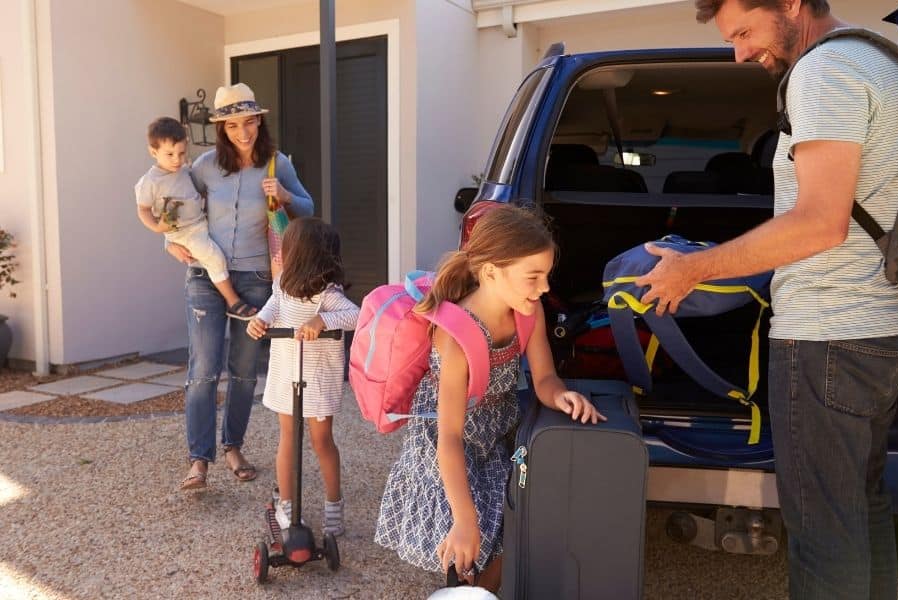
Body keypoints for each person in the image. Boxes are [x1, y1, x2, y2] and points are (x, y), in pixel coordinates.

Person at [637, 1, 898, 598]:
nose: (740, 52)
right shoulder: (888, 62)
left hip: (829, 335)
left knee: (823, 530)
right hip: (890, 324)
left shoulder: (825, 71)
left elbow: (820, 223)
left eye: (745, 31)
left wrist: (693, 269)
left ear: (792, 4)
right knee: (861, 505)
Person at [374, 205, 607, 593]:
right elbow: (448, 438)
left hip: (493, 434)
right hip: (447, 445)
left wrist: (562, 396)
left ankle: (480, 588)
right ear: (490, 272)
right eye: (533, 277)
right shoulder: (457, 337)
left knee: (509, 526)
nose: (545, 288)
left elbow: (545, 377)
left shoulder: (528, 313)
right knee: (470, 533)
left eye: (546, 276)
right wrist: (464, 520)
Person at [170, 83, 314, 491]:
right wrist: (171, 242)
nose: (243, 132)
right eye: (233, 125)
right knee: (202, 369)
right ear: (222, 128)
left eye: (249, 122)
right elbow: (178, 208)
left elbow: (308, 207)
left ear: (259, 121)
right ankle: (199, 460)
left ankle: (233, 446)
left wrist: (285, 194)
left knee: (245, 372)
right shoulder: (203, 166)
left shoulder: (276, 162)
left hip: (256, 280)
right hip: (204, 277)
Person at [246, 218, 359, 535]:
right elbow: (272, 306)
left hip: (317, 379)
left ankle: (333, 506)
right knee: (288, 438)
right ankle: (287, 506)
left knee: (321, 441)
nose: (280, 252)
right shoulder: (282, 284)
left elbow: (357, 314)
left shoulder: (327, 293)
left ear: (302, 254)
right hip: (287, 374)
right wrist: (260, 321)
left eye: (286, 247)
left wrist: (322, 320)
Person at [136, 117, 258, 320]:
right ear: (153, 152)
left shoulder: (185, 170)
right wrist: (160, 230)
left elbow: (198, 193)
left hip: (200, 222)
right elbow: (143, 210)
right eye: (170, 154)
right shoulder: (150, 182)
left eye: (181, 153)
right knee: (214, 258)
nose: (177, 159)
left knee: (217, 253)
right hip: (184, 232)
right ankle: (233, 302)